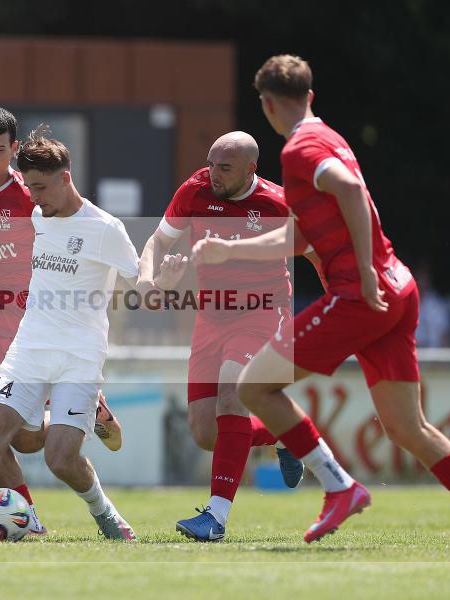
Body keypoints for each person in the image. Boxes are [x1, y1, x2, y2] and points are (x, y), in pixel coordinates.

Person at [193, 55, 450, 549]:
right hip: (399, 288)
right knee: (407, 427)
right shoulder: (331, 137)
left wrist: (364, 270)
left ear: (266, 105)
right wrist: (230, 249)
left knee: (254, 388)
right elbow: (300, 234)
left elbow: (348, 189)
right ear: (310, 96)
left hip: (360, 292)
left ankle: (339, 487)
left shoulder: (299, 148)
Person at [0, 127, 139, 541]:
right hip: (29, 345)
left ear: (66, 178)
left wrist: (167, 280)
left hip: (79, 355)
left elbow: (141, 282)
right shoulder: (37, 216)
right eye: (30, 188)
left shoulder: (106, 228)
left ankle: (105, 513)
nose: (33, 199)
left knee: (58, 457)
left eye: (40, 188)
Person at [136, 131, 307, 542]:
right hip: (211, 316)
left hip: (262, 312)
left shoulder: (277, 203)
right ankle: (287, 432)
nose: (212, 173)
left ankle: (215, 517)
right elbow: (158, 240)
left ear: (251, 169)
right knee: (206, 432)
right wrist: (148, 282)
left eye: (224, 167)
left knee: (232, 395)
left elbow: (314, 249)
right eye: (210, 163)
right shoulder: (195, 189)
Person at [413, 260, 450, 348]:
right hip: (410, 354)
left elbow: (445, 336)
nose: (422, 280)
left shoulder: (437, 304)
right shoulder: (404, 302)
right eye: (419, 275)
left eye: (425, 276)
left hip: (435, 357)